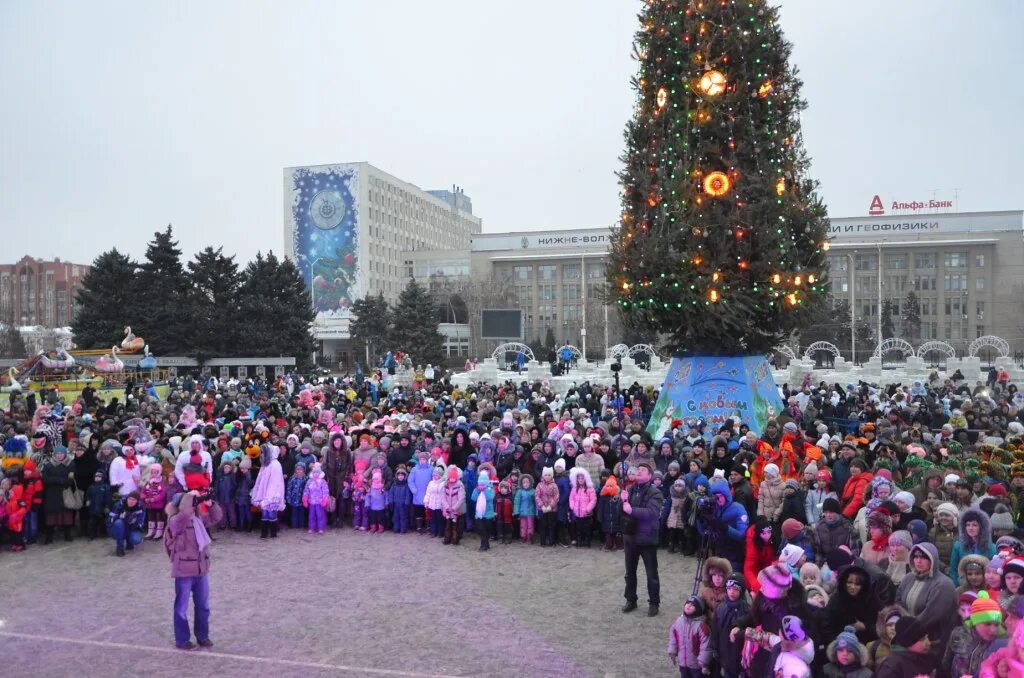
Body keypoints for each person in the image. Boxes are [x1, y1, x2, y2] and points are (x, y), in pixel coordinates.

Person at [165, 490, 222, 650]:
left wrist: (211, 505)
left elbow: (215, 518)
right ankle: (182, 639)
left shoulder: (197, 519)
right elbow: (181, 518)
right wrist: (189, 498)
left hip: (200, 569)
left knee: (203, 606)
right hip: (184, 569)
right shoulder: (175, 520)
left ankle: (203, 636)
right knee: (181, 608)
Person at [620, 460, 664, 616]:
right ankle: (630, 599)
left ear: (650, 476)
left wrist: (631, 509)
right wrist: (622, 500)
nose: (638, 471)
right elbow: (624, 512)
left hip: (647, 538)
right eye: (637, 469)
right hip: (630, 538)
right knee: (629, 572)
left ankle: (654, 602)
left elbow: (652, 513)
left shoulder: (656, 493)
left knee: (651, 573)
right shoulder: (630, 490)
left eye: (643, 470)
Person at [667, 595, 711, 677]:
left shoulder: (701, 626)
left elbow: (706, 646)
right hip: (683, 663)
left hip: (697, 665)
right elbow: (672, 639)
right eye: (688, 603)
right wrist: (672, 651)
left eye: (693, 605)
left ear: (698, 609)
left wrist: (703, 661)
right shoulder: (677, 622)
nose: (689, 605)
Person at [107, 490, 145, 557]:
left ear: (137, 501)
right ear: (127, 498)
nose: (131, 501)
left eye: (134, 500)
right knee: (119, 523)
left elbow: (140, 524)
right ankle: (119, 548)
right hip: (116, 529)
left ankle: (129, 541)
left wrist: (133, 521)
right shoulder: (119, 504)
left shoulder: (140, 507)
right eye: (129, 499)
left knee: (135, 539)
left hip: (131, 528)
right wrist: (121, 517)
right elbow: (110, 520)